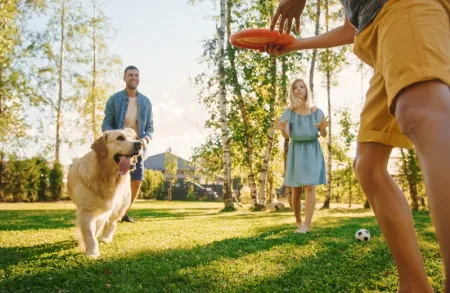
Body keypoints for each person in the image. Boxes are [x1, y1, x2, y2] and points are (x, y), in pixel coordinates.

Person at [267, 0, 450, 292]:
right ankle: (414, 285)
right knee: (368, 166)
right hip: (378, 38)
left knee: (422, 112)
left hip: (406, 9)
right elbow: (351, 28)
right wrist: (295, 44)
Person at [102, 65, 154, 223]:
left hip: (137, 147)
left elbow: (150, 128)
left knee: (137, 180)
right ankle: (107, 211)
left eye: (137, 75)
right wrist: (113, 138)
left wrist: (144, 140)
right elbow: (106, 124)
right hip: (118, 148)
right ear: (124, 78)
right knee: (113, 179)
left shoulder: (145, 102)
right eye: (131, 75)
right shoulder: (114, 99)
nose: (134, 78)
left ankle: (122, 213)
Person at [277, 78, 328, 233]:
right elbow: (287, 136)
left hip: (312, 149)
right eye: (295, 88)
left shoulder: (316, 112)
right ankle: (298, 221)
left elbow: (323, 134)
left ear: (306, 90)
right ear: (292, 92)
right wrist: (282, 129)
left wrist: (323, 128)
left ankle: (307, 225)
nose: (299, 89)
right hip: (296, 150)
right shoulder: (289, 112)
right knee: (297, 190)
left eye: (302, 87)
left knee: (310, 186)